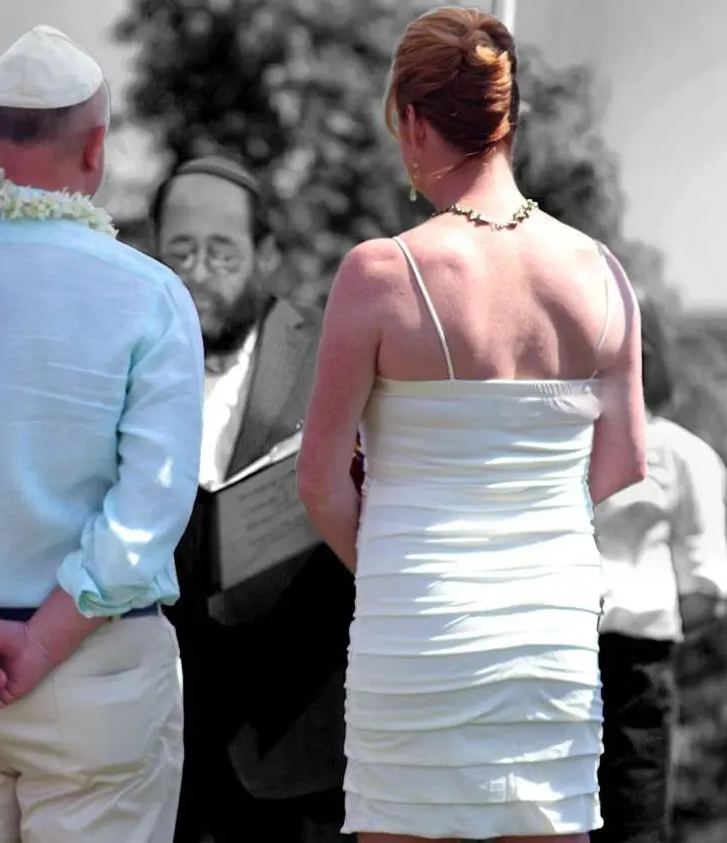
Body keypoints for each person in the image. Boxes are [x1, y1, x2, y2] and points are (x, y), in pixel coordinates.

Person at [297, 7, 646, 843]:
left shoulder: (380, 274)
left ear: (414, 124)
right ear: (508, 118)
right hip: (548, 634)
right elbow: (626, 460)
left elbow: (316, 482)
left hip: (415, 624)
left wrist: (392, 556)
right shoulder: (600, 273)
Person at [0, 24, 204, 843]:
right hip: (94, 678)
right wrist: (41, 643)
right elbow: (149, 510)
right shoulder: (148, 295)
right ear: (96, 152)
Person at [150, 155, 355, 843]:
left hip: (294, 745)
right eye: (181, 250)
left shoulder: (335, 352)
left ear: (264, 253)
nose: (199, 272)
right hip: (156, 743)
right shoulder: (117, 354)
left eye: (222, 252)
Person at [591, 292, 727, 843]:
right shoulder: (554, 450)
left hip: (633, 670)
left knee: (632, 827)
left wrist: (643, 626)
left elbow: (706, 590)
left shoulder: (683, 455)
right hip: (546, 665)